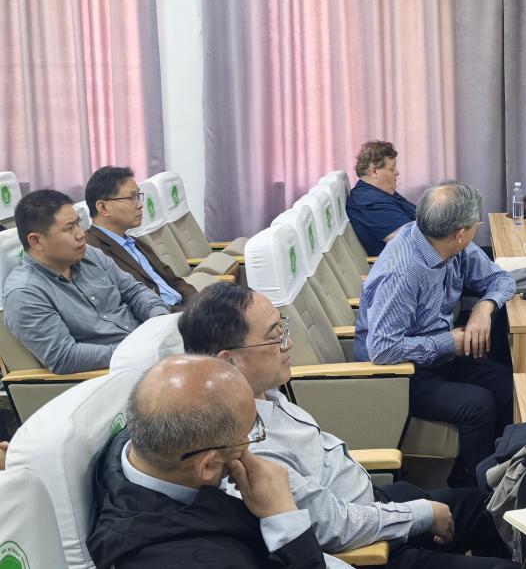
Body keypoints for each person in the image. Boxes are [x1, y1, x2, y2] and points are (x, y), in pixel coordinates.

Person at [179, 282, 516, 568]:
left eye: (283, 329)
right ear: (229, 361)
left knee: (499, 504)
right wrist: (421, 515)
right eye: (274, 337)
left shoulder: (264, 391)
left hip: (376, 504)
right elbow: (333, 527)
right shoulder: (248, 447)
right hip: (369, 547)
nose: (288, 343)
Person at [88, 355, 342, 568]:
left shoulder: (139, 444)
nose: (251, 444)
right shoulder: (194, 559)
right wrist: (284, 515)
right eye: (248, 435)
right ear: (207, 466)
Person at [354, 181, 515, 484]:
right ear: (461, 233)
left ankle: (506, 474)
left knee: (508, 386)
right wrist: (448, 342)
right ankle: (474, 489)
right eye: (476, 225)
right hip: (399, 375)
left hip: (439, 358)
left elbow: (502, 280)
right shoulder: (403, 272)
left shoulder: (451, 245)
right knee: (478, 404)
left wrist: (484, 307)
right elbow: (383, 349)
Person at [2, 190, 169, 374]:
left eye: (78, 223)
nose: (81, 234)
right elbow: (65, 357)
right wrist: (137, 353)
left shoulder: (89, 254)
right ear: (36, 241)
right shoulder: (25, 294)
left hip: (148, 349)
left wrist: (160, 321)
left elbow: (134, 292)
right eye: (69, 228)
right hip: (115, 372)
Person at [84, 166, 195, 312]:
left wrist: (198, 303)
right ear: (103, 208)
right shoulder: (92, 251)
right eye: (131, 198)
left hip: (186, 311)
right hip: (162, 317)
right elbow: (126, 307)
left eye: (138, 196)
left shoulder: (135, 242)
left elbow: (175, 281)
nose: (140, 205)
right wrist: (188, 315)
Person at [346, 140, 417, 256]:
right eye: (392, 168)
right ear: (374, 171)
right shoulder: (368, 202)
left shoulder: (380, 193)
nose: (397, 172)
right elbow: (409, 241)